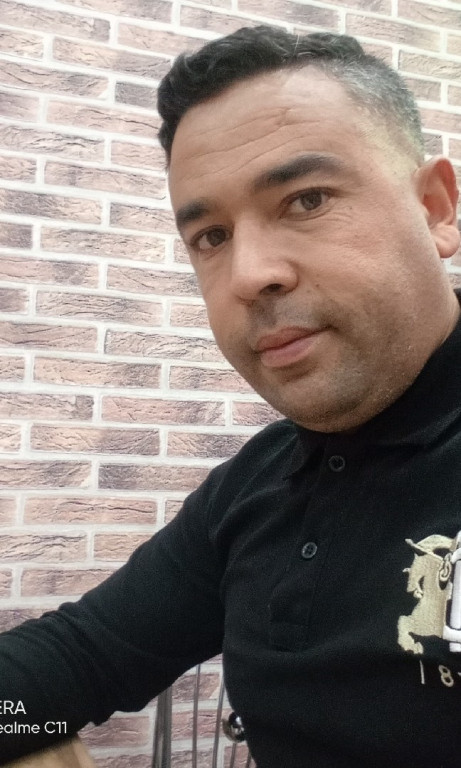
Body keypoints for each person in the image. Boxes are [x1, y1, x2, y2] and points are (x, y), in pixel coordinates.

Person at [1, 24, 461, 767]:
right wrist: (19, 731)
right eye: (211, 237)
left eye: (306, 199)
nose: (249, 275)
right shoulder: (253, 489)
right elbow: (77, 657)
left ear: (435, 208)